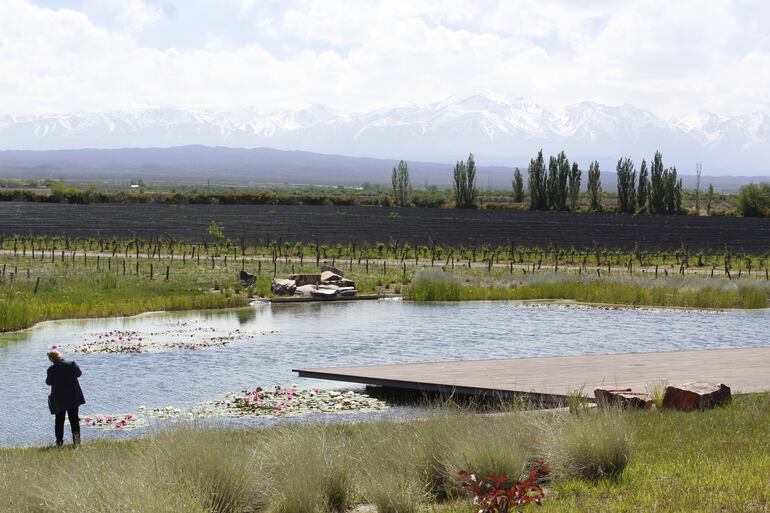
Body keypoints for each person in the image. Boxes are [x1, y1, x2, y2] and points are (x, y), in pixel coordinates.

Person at [46, 347, 85, 447]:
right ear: (60, 355)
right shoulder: (72, 364)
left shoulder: (51, 369)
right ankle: (76, 442)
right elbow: (79, 374)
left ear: (51, 359)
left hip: (59, 399)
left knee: (59, 421)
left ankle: (59, 443)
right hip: (73, 397)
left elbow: (48, 382)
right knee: (74, 420)